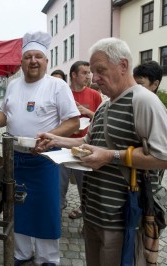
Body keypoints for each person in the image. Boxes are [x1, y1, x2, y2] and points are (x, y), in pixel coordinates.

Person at [36, 37, 167, 266]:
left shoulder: (144, 101)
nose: (95, 78)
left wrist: (110, 156)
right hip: (94, 215)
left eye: (100, 70)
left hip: (121, 220)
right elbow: (88, 141)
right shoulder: (105, 104)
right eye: (92, 72)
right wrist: (56, 140)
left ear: (123, 66)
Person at [0, 31, 80, 266]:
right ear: (22, 61)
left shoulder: (57, 86)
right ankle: (22, 254)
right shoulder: (14, 85)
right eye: (28, 57)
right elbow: (6, 113)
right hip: (15, 158)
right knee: (18, 208)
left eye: (38, 56)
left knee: (46, 209)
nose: (33, 61)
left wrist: (52, 136)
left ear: (46, 60)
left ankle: (48, 258)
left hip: (45, 158)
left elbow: (73, 122)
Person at [60, 61, 102, 218]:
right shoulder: (63, 93)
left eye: (89, 73)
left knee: (85, 186)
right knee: (59, 185)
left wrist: (86, 111)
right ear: (74, 75)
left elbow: (102, 119)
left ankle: (86, 213)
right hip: (62, 146)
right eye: (84, 73)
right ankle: (58, 210)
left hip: (84, 148)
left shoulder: (94, 95)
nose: (88, 76)